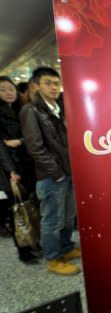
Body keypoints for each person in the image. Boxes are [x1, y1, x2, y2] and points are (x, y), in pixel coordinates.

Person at [20, 67, 80, 275]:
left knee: (67, 216)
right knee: (52, 219)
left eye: (56, 83)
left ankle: (66, 247)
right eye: (48, 83)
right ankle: (54, 258)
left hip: (68, 173)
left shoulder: (58, 107)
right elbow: (35, 148)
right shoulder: (31, 110)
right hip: (51, 177)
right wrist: (57, 173)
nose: (54, 87)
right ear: (36, 85)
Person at [0, 76, 38, 262]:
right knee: (17, 210)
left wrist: (20, 141)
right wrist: (11, 171)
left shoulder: (21, 110)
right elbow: (1, 148)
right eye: (3, 89)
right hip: (10, 170)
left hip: (27, 164)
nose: (8, 92)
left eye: (11, 89)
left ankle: (33, 242)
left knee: (31, 206)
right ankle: (23, 250)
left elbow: (28, 137)